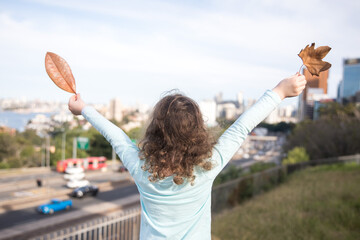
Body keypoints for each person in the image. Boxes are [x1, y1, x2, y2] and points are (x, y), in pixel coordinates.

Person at [68, 73, 306, 239]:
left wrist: (84, 109)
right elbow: (241, 127)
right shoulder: (207, 165)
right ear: (198, 130)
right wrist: (280, 92)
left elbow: (116, 137)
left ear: (155, 130)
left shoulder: (141, 166)